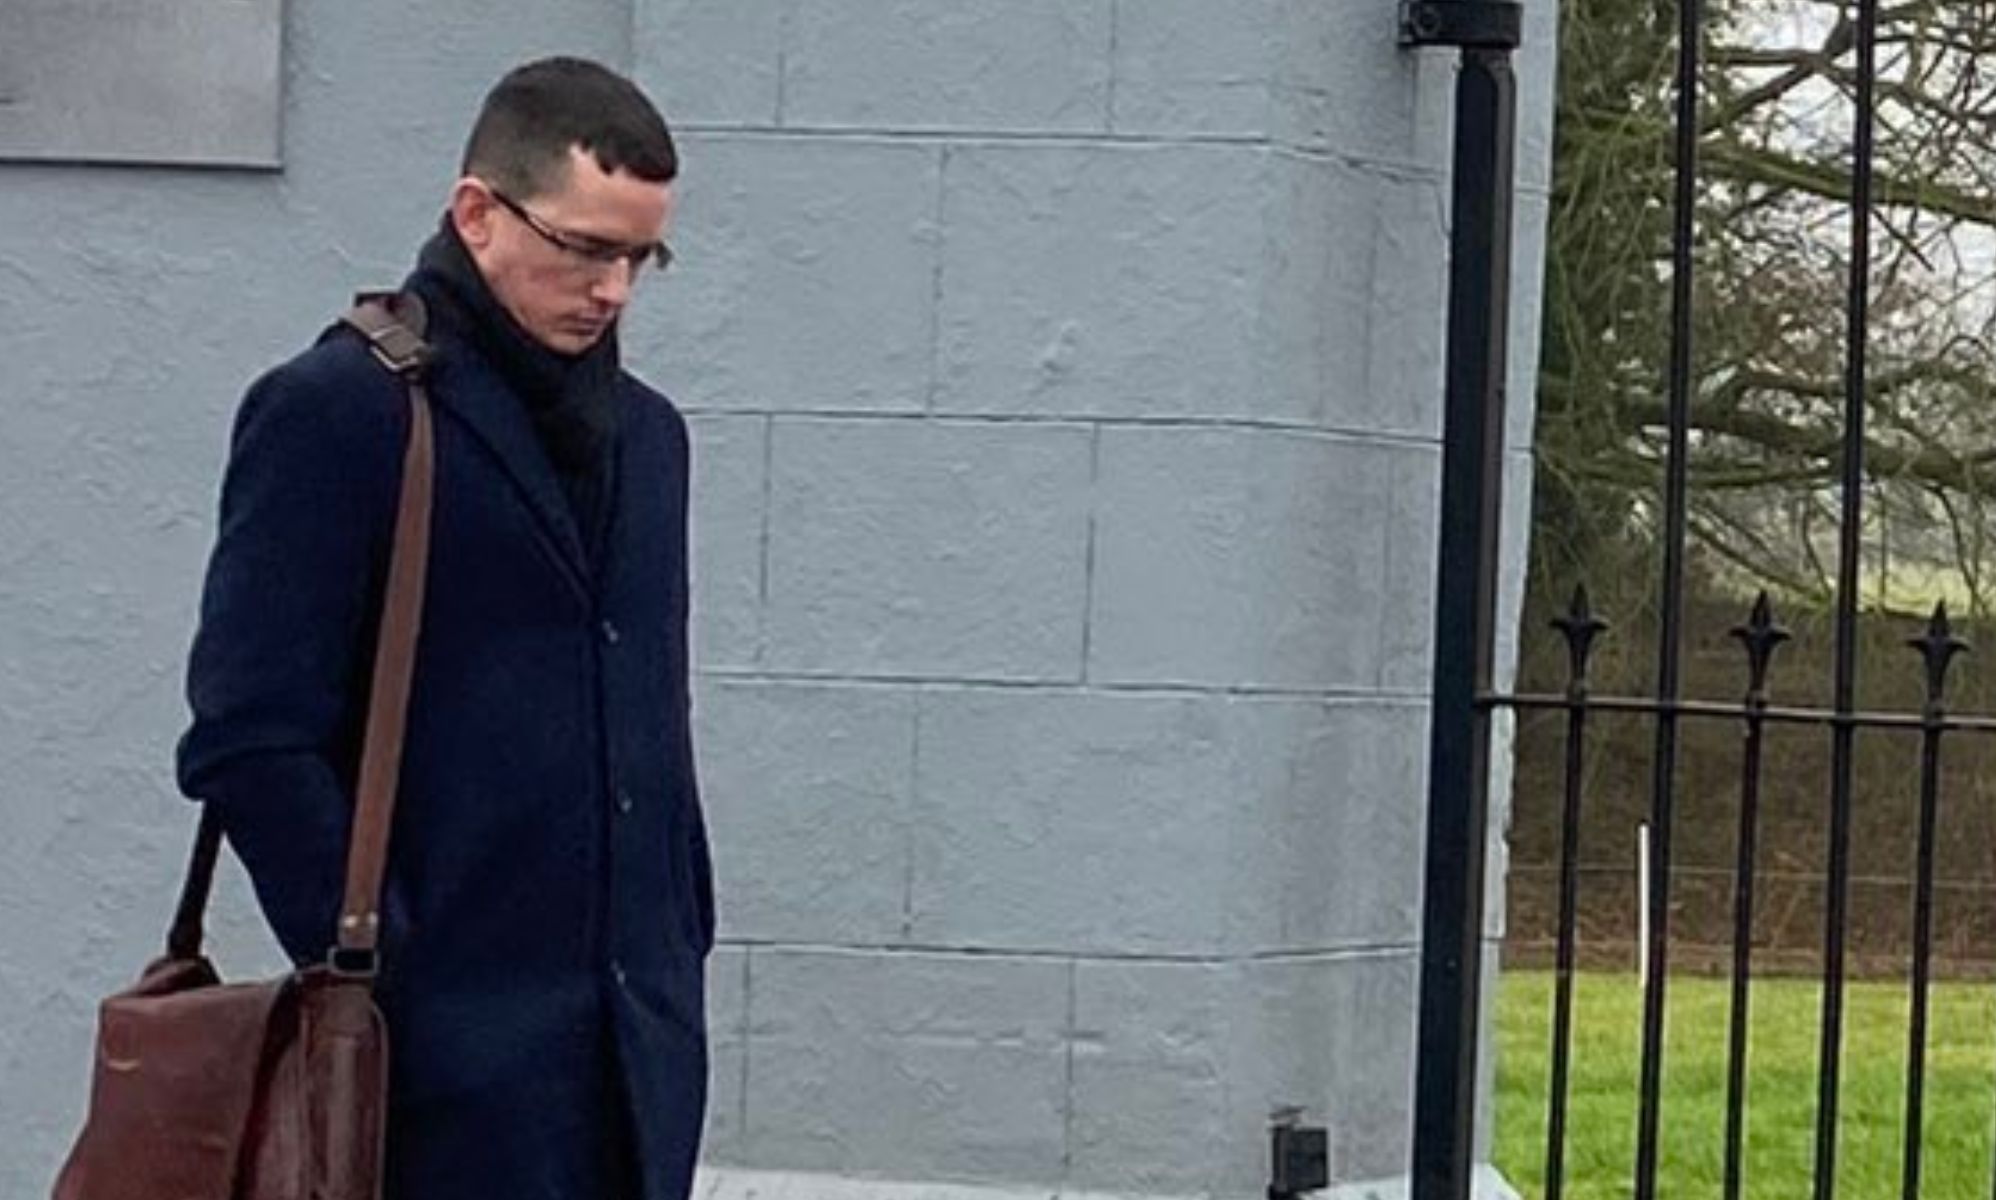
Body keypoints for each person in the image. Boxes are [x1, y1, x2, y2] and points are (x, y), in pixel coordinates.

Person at [175, 57, 712, 1200]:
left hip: (635, 1063)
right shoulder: (340, 413)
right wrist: (385, 972)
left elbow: (646, 716)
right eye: (582, 247)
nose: (611, 289)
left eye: (638, 257)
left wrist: (679, 943)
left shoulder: (652, 442)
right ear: (477, 212)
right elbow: (246, 734)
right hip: (431, 1073)